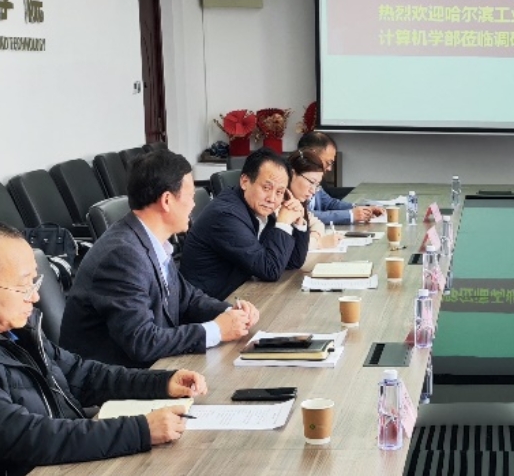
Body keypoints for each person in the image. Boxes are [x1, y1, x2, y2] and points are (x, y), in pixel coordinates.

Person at [0, 220, 206, 476]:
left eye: (35, 282)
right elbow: (25, 437)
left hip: (56, 470)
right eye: (22, 287)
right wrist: (140, 430)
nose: (35, 297)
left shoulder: (12, 327)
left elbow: (80, 375)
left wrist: (160, 383)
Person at [60, 149, 256, 368]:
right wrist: (216, 330)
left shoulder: (150, 240)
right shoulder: (122, 255)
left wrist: (229, 313)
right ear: (167, 200)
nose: (193, 205)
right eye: (190, 196)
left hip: (153, 367)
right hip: (116, 379)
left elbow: (186, 298)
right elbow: (142, 341)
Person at [180, 147, 311, 299]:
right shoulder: (225, 215)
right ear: (245, 181)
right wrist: (283, 223)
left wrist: (298, 222)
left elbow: (292, 262)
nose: (272, 198)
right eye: (266, 188)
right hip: (209, 305)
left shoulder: (255, 208)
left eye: (280, 192)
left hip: (238, 296)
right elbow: (270, 269)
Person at [296, 130, 380, 225]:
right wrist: (350, 215)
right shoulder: (292, 179)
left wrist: (363, 209)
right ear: (312, 154)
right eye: (328, 163)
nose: (329, 168)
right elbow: (304, 215)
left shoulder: (315, 179)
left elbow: (330, 203)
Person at [284, 148, 343, 250]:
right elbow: (288, 247)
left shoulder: (297, 202)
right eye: (311, 182)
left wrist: (313, 238)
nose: (313, 191)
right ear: (292, 174)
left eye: (316, 185)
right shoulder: (277, 203)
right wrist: (319, 243)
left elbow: (317, 224)